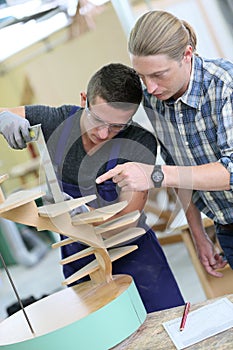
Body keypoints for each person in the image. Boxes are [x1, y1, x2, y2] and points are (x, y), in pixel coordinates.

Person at [0, 63, 184, 313]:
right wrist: (4, 117)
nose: (104, 132)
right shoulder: (58, 121)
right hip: (80, 258)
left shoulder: (139, 142)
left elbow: (128, 218)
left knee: (165, 324)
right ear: (84, 99)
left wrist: (83, 216)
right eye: (98, 119)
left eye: (117, 126)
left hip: (135, 258)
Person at [96, 10, 233, 277]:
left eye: (159, 75)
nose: (150, 88)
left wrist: (155, 175)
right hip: (224, 223)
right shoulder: (154, 97)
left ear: (187, 55)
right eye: (142, 76)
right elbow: (177, 164)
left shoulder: (225, 87)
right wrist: (198, 232)